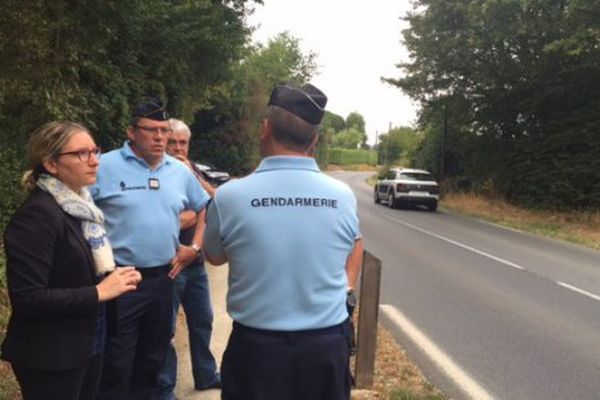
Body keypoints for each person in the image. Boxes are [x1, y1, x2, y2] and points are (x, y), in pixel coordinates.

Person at [203, 83, 364, 400]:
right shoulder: (343, 196)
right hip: (325, 348)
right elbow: (354, 243)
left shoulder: (229, 196)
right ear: (314, 139)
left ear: (265, 129)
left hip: (256, 351)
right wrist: (346, 286)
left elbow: (214, 256)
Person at [1, 121, 142, 400]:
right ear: (51, 164)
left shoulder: (83, 208)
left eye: (95, 151)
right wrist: (100, 291)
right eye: (80, 154)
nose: (93, 161)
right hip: (52, 353)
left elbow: (78, 268)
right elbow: (28, 298)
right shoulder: (37, 216)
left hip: (89, 339)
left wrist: (110, 278)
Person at [91, 100, 211, 400]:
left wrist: (194, 247)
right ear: (132, 131)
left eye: (164, 131)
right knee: (117, 360)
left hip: (165, 278)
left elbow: (205, 206)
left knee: (153, 358)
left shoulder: (179, 171)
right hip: (122, 278)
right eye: (152, 130)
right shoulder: (104, 166)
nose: (160, 138)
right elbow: (80, 212)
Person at [157, 119, 220, 400]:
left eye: (183, 143)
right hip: (168, 263)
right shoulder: (155, 171)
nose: (178, 148)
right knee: (166, 327)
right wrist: (191, 216)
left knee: (203, 319)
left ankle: (206, 375)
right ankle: (164, 386)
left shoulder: (190, 169)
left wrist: (193, 179)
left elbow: (213, 202)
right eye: (173, 143)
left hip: (194, 260)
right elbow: (157, 217)